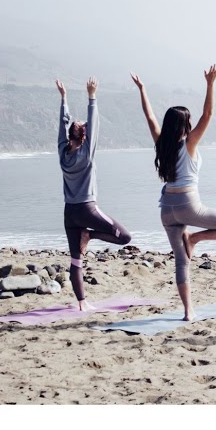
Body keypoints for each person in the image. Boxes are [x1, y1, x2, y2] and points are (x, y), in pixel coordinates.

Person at [131, 65, 216, 321]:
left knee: (181, 262)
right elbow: (208, 114)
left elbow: (149, 118)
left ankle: (188, 311)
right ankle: (195, 238)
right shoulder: (189, 143)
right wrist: (210, 83)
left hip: (166, 210)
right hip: (188, 206)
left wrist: (142, 89)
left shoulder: (161, 144)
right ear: (185, 124)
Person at [56, 77, 132, 311]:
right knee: (124, 237)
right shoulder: (86, 154)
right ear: (85, 137)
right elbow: (94, 123)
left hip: (69, 213)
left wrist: (64, 99)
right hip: (87, 210)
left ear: (70, 137)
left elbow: (62, 125)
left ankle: (82, 303)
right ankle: (89, 235)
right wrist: (92, 96)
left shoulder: (62, 153)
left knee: (75, 260)